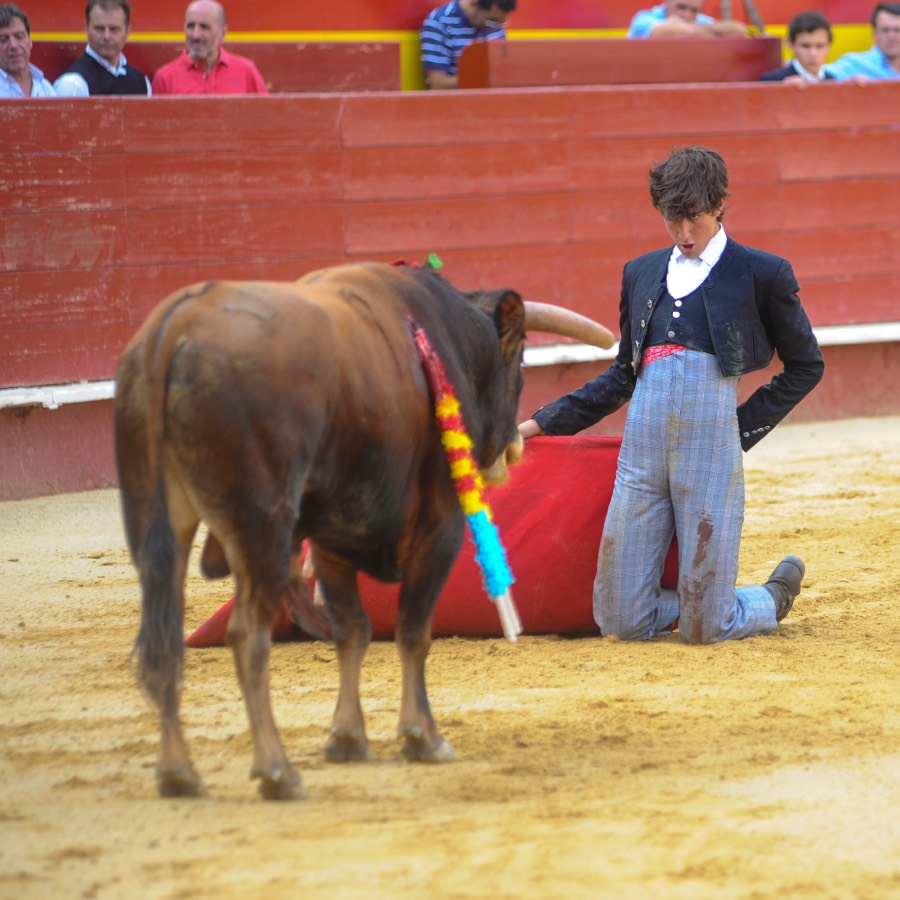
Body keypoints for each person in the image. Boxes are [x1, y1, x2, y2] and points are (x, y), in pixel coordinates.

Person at [518, 146, 824, 645]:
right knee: (620, 622)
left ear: (721, 204)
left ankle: (767, 598)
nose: (684, 235)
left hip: (711, 457)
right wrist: (534, 425)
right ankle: (712, 597)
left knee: (706, 630)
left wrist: (738, 431)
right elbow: (622, 375)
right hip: (640, 460)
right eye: (672, 220)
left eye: (695, 220)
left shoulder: (761, 272)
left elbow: (807, 366)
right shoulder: (640, 272)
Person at [151, 0, 267, 95]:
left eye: (204, 27)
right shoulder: (165, 78)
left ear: (223, 32)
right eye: (190, 26)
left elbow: (266, 116)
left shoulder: (246, 71)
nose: (195, 35)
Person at [53, 0, 150, 97]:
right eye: (99, 28)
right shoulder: (72, 86)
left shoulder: (142, 82)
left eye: (114, 29)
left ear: (128, 31)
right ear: (86, 28)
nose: (106, 36)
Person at [420, 0, 515, 90]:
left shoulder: (495, 22)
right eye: (490, 20)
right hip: (454, 101)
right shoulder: (439, 23)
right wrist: (486, 80)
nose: (494, 28)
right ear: (474, 2)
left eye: (500, 24)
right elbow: (438, 84)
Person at [824, 2, 900, 80]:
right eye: (885, 30)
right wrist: (846, 86)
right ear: (874, 34)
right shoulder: (854, 64)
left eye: (897, 30)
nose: (891, 36)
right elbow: (816, 76)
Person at [759, 10, 835, 83]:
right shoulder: (772, 81)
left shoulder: (832, 81)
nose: (813, 53)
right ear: (790, 44)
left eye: (819, 46)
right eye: (805, 46)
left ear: (829, 47)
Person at [0, 3, 56, 97]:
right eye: (3, 39)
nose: (13, 45)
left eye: (19, 36)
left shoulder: (45, 88)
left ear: (30, 41)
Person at [627, 1, 748, 38]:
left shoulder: (700, 20)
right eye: (681, 7)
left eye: (694, 10)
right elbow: (658, 33)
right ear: (668, 2)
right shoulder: (643, 18)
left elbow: (738, 30)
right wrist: (711, 31)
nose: (687, 15)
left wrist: (684, 28)